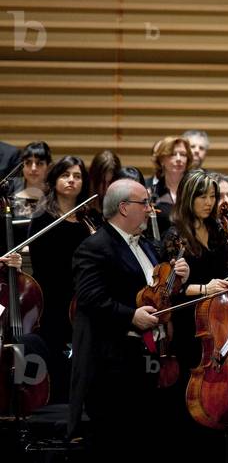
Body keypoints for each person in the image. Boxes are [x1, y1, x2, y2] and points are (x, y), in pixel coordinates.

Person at [69, 179, 190, 455]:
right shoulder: (94, 247)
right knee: (118, 445)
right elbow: (90, 299)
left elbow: (157, 293)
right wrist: (131, 316)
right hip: (113, 368)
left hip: (147, 361)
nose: (150, 209)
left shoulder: (148, 245)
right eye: (144, 203)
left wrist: (178, 278)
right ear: (123, 208)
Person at [161, 170, 228, 462]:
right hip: (193, 326)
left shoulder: (220, 232)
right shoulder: (175, 236)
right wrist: (205, 288)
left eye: (212, 196)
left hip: (221, 322)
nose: (209, 202)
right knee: (194, 402)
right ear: (188, 198)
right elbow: (169, 290)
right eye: (202, 196)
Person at [26, 156, 92, 402]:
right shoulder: (43, 218)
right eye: (65, 175)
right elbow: (42, 264)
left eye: (77, 176)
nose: (71, 180)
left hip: (84, 298)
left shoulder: (89, 218)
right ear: (54, 180)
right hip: (54, 298)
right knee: (57, 352)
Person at [10, 141, 52, 217]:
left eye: (39, 163)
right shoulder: (10, 189)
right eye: (28, 163)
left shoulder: (55, 194)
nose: (33, 168)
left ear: (48, 167)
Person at [149, 136, 192, 206]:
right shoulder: (152, 193)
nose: (178, 159)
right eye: (173, 154)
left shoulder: (195, 190)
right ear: (161, 160)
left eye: (183, 154)